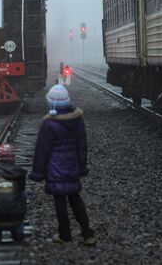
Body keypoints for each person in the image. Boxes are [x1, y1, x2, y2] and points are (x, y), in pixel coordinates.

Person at [29, 84, 97, 246]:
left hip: (55, 169)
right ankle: (88, 234)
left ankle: (65, 234)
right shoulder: (77, 120)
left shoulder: (48, 124)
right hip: (72, 166)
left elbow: (42, 151)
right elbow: (82, 146)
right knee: (75, 199)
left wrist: (38, 173)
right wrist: (82, 166)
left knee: (60, 202)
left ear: (51, 104)